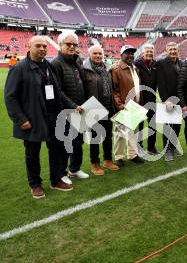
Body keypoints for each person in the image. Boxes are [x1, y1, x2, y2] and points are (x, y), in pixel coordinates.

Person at [4, 36, 72, 198]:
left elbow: (55, 91)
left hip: (53, 116)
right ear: (29, 46)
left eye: (44, 46)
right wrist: (21, 119)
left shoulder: (49, 66)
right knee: (32, 153)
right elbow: (10, 97)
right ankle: (35, 184)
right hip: (32, 118)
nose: (42, 48)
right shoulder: (19, 68)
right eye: (38, 46)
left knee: (56, 150)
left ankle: (56, 180)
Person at [51, 32, 89, 184]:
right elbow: (57, 90)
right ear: (60, 45)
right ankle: (62, 173)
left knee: (78, 142)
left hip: (79, 110)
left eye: (74, 44)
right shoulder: (56, 63)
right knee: (66, 143)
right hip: (66, 111)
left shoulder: (75, 62)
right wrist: (73, 105)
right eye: (68, 44)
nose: (72, 47)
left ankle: (75, 169)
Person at [82, 44, 120, 175]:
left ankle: (108, 160)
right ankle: (94, 163)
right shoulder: (84, 70)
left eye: (100, 54)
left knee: (108, 136)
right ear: (89, 55)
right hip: (93, 108)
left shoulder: (106, 69)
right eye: (95, 54)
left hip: (108, 108)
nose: (98, 56)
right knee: (95, 137)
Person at [111, 45, 145, 168]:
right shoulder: (116, 69)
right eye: (127, 53)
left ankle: (132, 154)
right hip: (123, 106)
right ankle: (119, 157)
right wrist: (120, 105)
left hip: (134, 105)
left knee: (132, 131)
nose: (130, 55)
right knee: (120, 133)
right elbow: (114, 90)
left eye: (132, 53)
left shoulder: (134, 68)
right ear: (121, 55)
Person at [156, 42, 183, 161]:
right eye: (170, 49)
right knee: (168, 125)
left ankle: (173, 146)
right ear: (167, 51)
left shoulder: (182, 63)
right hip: (168, 100)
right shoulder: (161, 63)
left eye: (175, 49)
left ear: (178, 50)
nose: (173, 51)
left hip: (180, 99)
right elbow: (161, 83)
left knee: (177, 125)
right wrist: (165, 99)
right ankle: (167, 150)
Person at [134, 44, 158, 155]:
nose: (149, 53)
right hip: (140, 100)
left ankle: (151, 147)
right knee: (140, 126)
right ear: (143, 52)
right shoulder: (137, 64)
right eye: (147, 51)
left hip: (152, 99)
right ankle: (138, 148)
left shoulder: (155, 64)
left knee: (152, 124)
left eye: (151, 51)